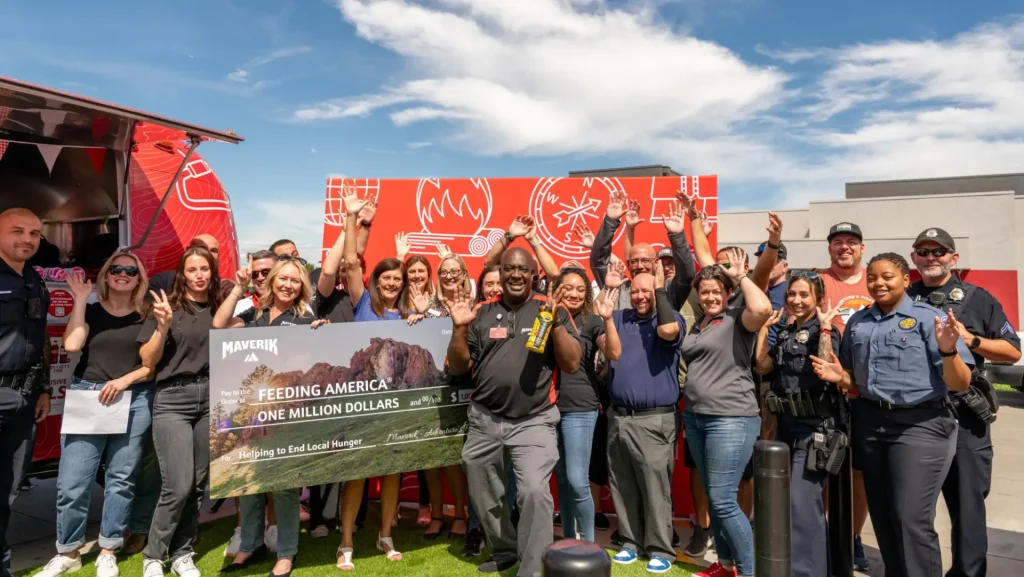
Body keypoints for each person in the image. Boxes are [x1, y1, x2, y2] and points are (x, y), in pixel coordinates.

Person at [811, 252, 975, 577]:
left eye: (887, 276)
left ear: (905, 279)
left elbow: (960, 382)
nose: (878, 283)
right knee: (884, 516)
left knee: (910, 518)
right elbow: (855, 380)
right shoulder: (859, 322)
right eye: (872, 277)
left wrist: (947, 351)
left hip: (921, 426)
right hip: (871, 424)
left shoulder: (929, 319)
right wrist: (840, 376)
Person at [447, 245, 582, 577]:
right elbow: (459, 367)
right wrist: (459, 328)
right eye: (510, 269)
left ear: (534, 274)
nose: (516, 275)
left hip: (534, 420)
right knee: (482, 488)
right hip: (485, 418)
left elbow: (572, 363)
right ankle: (505, 551)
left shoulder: (550, 308)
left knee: (534, 492)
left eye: (523, 270)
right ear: (501, 272)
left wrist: (555, 322)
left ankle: (532, 570)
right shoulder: (481, 312)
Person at [907, 228, 1022, 577]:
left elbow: (1012, 351)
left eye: (938, 252)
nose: (931, 258)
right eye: (923, 251)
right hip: (917, 417)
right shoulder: (904, 298)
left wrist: (970, 339)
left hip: (964, 415)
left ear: (954, 258)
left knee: (968, 507)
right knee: (912, 508)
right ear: (913, 258)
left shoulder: (976, 298)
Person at [35, 254, 154, 577]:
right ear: (106, 274)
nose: (122, 274)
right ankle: (68, 551)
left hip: (133, 397)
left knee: (121, 479)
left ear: (139, 278)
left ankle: (108, 549)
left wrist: (124, 381)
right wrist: (79, 299)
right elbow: (72, 345)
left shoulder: (148, 314)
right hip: (88, 396)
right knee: (72, 482)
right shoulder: (89, 310)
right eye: (116, 268)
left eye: (131, 270)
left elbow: (151, 365)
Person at [215, 258, 326, 577]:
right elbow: (219, 327)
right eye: (284, 279)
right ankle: (250, 545)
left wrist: (323, 334)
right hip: (250, 409)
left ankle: (287, 553)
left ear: (302, 287)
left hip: (284, 413)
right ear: (273, 280)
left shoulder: (306, 320)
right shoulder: (253, 314)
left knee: (283, 485)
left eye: (295, 281)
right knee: (249, 479)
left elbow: (313, 359)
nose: (288, 285)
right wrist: (238, 289)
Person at [681, 252, 773, 577]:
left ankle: (748, 572)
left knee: (722, 500)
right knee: (715, 498)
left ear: (728, 292)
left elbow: (763, 309)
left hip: (731, 419)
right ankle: (726, 564)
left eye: (716, 291)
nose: (710, 297)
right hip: (697, 418)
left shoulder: (737, 318)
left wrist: (740, 276)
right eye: (704, 291)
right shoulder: (699, 324)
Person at [139, 246, 222, 577]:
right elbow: (148, 361)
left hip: (211, 396)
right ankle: (153, 555)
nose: (199, 275)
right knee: (178, 485)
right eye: (192, 270)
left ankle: (182, 553)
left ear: (212, 273)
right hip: (173, 398)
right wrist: (162, 327)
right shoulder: (166, 307)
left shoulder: (219, 308)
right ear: (182, 274)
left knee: (198, 484)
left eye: (205, 269)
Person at [333, 188, 405, 571]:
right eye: (386, 277)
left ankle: (385, 535)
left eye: (397, 278)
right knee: (357, 474)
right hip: (360, 401)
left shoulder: (408, 313)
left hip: (394, 404)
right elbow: (349, 260)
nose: (392, 283)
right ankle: (345, 542)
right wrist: (352, 217)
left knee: (391, 473)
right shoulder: (362, 301)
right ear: (375, 279)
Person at [754, 271, 842, 577]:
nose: (796, 300)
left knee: (802, 504)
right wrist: (765, 330)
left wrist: (826, 327)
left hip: (815, 429)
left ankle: (808, 572)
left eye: (804, 294)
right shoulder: (786, 332)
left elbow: (825, 366)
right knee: (790, 504)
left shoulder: (824, 330)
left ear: (818, 298)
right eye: (792, 294)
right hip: (787, 427)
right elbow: (762, 365)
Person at [605, 262, 682, 574]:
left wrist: (660, 290)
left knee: (654, 487)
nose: (639, 296)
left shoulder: (669, 317)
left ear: (657, 292)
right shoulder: (620, 318)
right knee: (622, 483)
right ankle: (630, 542)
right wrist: (608, 292)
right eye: (635, 291)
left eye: (646, 291)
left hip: (654, 420)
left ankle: (660, 548)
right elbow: (601, 322)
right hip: (619, 417)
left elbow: (669, 331)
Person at [817, 221, 874, 571]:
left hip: (866, 393)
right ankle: (825, 535)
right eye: (837, 242)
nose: (844, 247)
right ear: (830, 249)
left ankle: (852, 536)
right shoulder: (818, 281)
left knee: (859, 473)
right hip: (826, 391)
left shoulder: (876, 279)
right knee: (824, 467)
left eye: (851, 241)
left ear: (862, 248)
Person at [0, 208, 51, 577]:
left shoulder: (34, 279)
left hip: (24, 400)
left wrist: (44, 387)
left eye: (34, 233)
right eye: (17, 231)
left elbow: (40, 336)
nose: (27, 239)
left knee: (8, 491)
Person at [409, 250, 471, 541]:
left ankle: (460, 514)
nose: (448, 275)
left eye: (454, 270)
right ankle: (436, 514)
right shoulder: (428, 304)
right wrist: (419, 317)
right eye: (444, 271)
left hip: (461, 387)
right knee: (431, 457)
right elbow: (419, 342)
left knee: (454, 458)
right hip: (431, 387)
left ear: (464, 273)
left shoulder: (472, 302)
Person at [550, 267, 615, 544]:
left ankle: (588, 545)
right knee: (563, 479)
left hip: (580, 407)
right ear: (557, 290)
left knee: (578, 480)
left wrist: (608, 320)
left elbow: (613, 351)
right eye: (568, 288)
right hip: (548, 406)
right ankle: (567, 540)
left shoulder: (592, 321)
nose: (575, 294)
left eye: (581, 289)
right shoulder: (547, 315)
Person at [591, 193, 696, 311]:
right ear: (628, 264)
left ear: (656, 263)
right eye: (634, 262)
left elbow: (687, 274)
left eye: (645, 261)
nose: (640, 266)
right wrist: (610, 222)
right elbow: (599, 261)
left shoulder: (668, 290)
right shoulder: (617, 287)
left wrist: (677, 235)